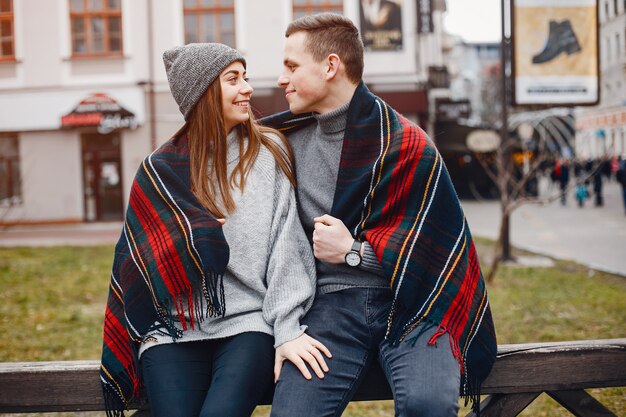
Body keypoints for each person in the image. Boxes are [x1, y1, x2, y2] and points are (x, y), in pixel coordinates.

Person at [262, 13, 496, 417]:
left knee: (429, 406)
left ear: (330, 66)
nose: (282, 79)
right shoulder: (284, 142)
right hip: (331, 306)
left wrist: (353, 252)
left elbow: (433, 256)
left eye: (292, 66)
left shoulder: (406, 144)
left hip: (413, 303)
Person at [100, 43, 331, 417]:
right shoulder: (160, 171)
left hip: (248, 321)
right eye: (233, 80)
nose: (248, 89)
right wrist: (187, 242)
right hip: (174, 327)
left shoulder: (269, 151)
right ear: (204, 92)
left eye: (246, 77)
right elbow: (138, 263)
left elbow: (287, 247)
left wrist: (287, 328)